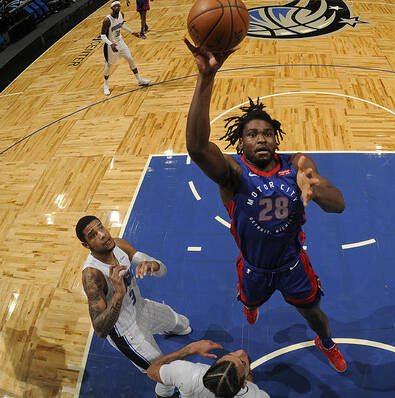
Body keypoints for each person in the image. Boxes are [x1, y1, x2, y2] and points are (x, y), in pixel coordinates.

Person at [182, 39, 348, 373]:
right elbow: (198, 148)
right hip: (254, 268)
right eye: (253, 134)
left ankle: (326, 343)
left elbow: (339, 205)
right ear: (241, 142)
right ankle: (251, 305)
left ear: (276, 139)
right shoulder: (232, 173)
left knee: (314, 313)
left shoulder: (297, 164)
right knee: (250, 301)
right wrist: (206, 78)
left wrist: (315, 188)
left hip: (292, 264)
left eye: (268, 133)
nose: (261, 138)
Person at [77, 215, 192, 398]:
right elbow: (100, 329)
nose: (102, 235)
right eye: (93, 235)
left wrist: (152, 265)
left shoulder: (118, 245)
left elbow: (162, 270)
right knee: (165, 372)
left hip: (141, 307)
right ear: (86, 244)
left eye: (101, 227)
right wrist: (118, 294)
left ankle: (165, 330)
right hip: (126, 331)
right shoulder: (92, 275)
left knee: (184, 325)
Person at [147, 339, 270, 397]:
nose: (241, 352)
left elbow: (152, 371)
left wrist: (190, 349)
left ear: (213, 366)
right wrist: (247, 374)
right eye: (242, 362)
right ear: (243, 384)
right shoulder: (255, 395)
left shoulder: (186, 373)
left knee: (167, 373)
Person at [100, 0, 150, 96]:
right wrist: (111, 44)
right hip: (110, 45)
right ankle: (105, 85)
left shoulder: (121, 14)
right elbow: (102, 35)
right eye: (115, 6)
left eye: (119, 6)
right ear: (111, 8)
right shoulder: (107, 20)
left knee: (130, 59)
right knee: (109, 65)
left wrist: (132, 32)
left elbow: (121, 24)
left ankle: (139, 80)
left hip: (120, 42)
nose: (117, 8)